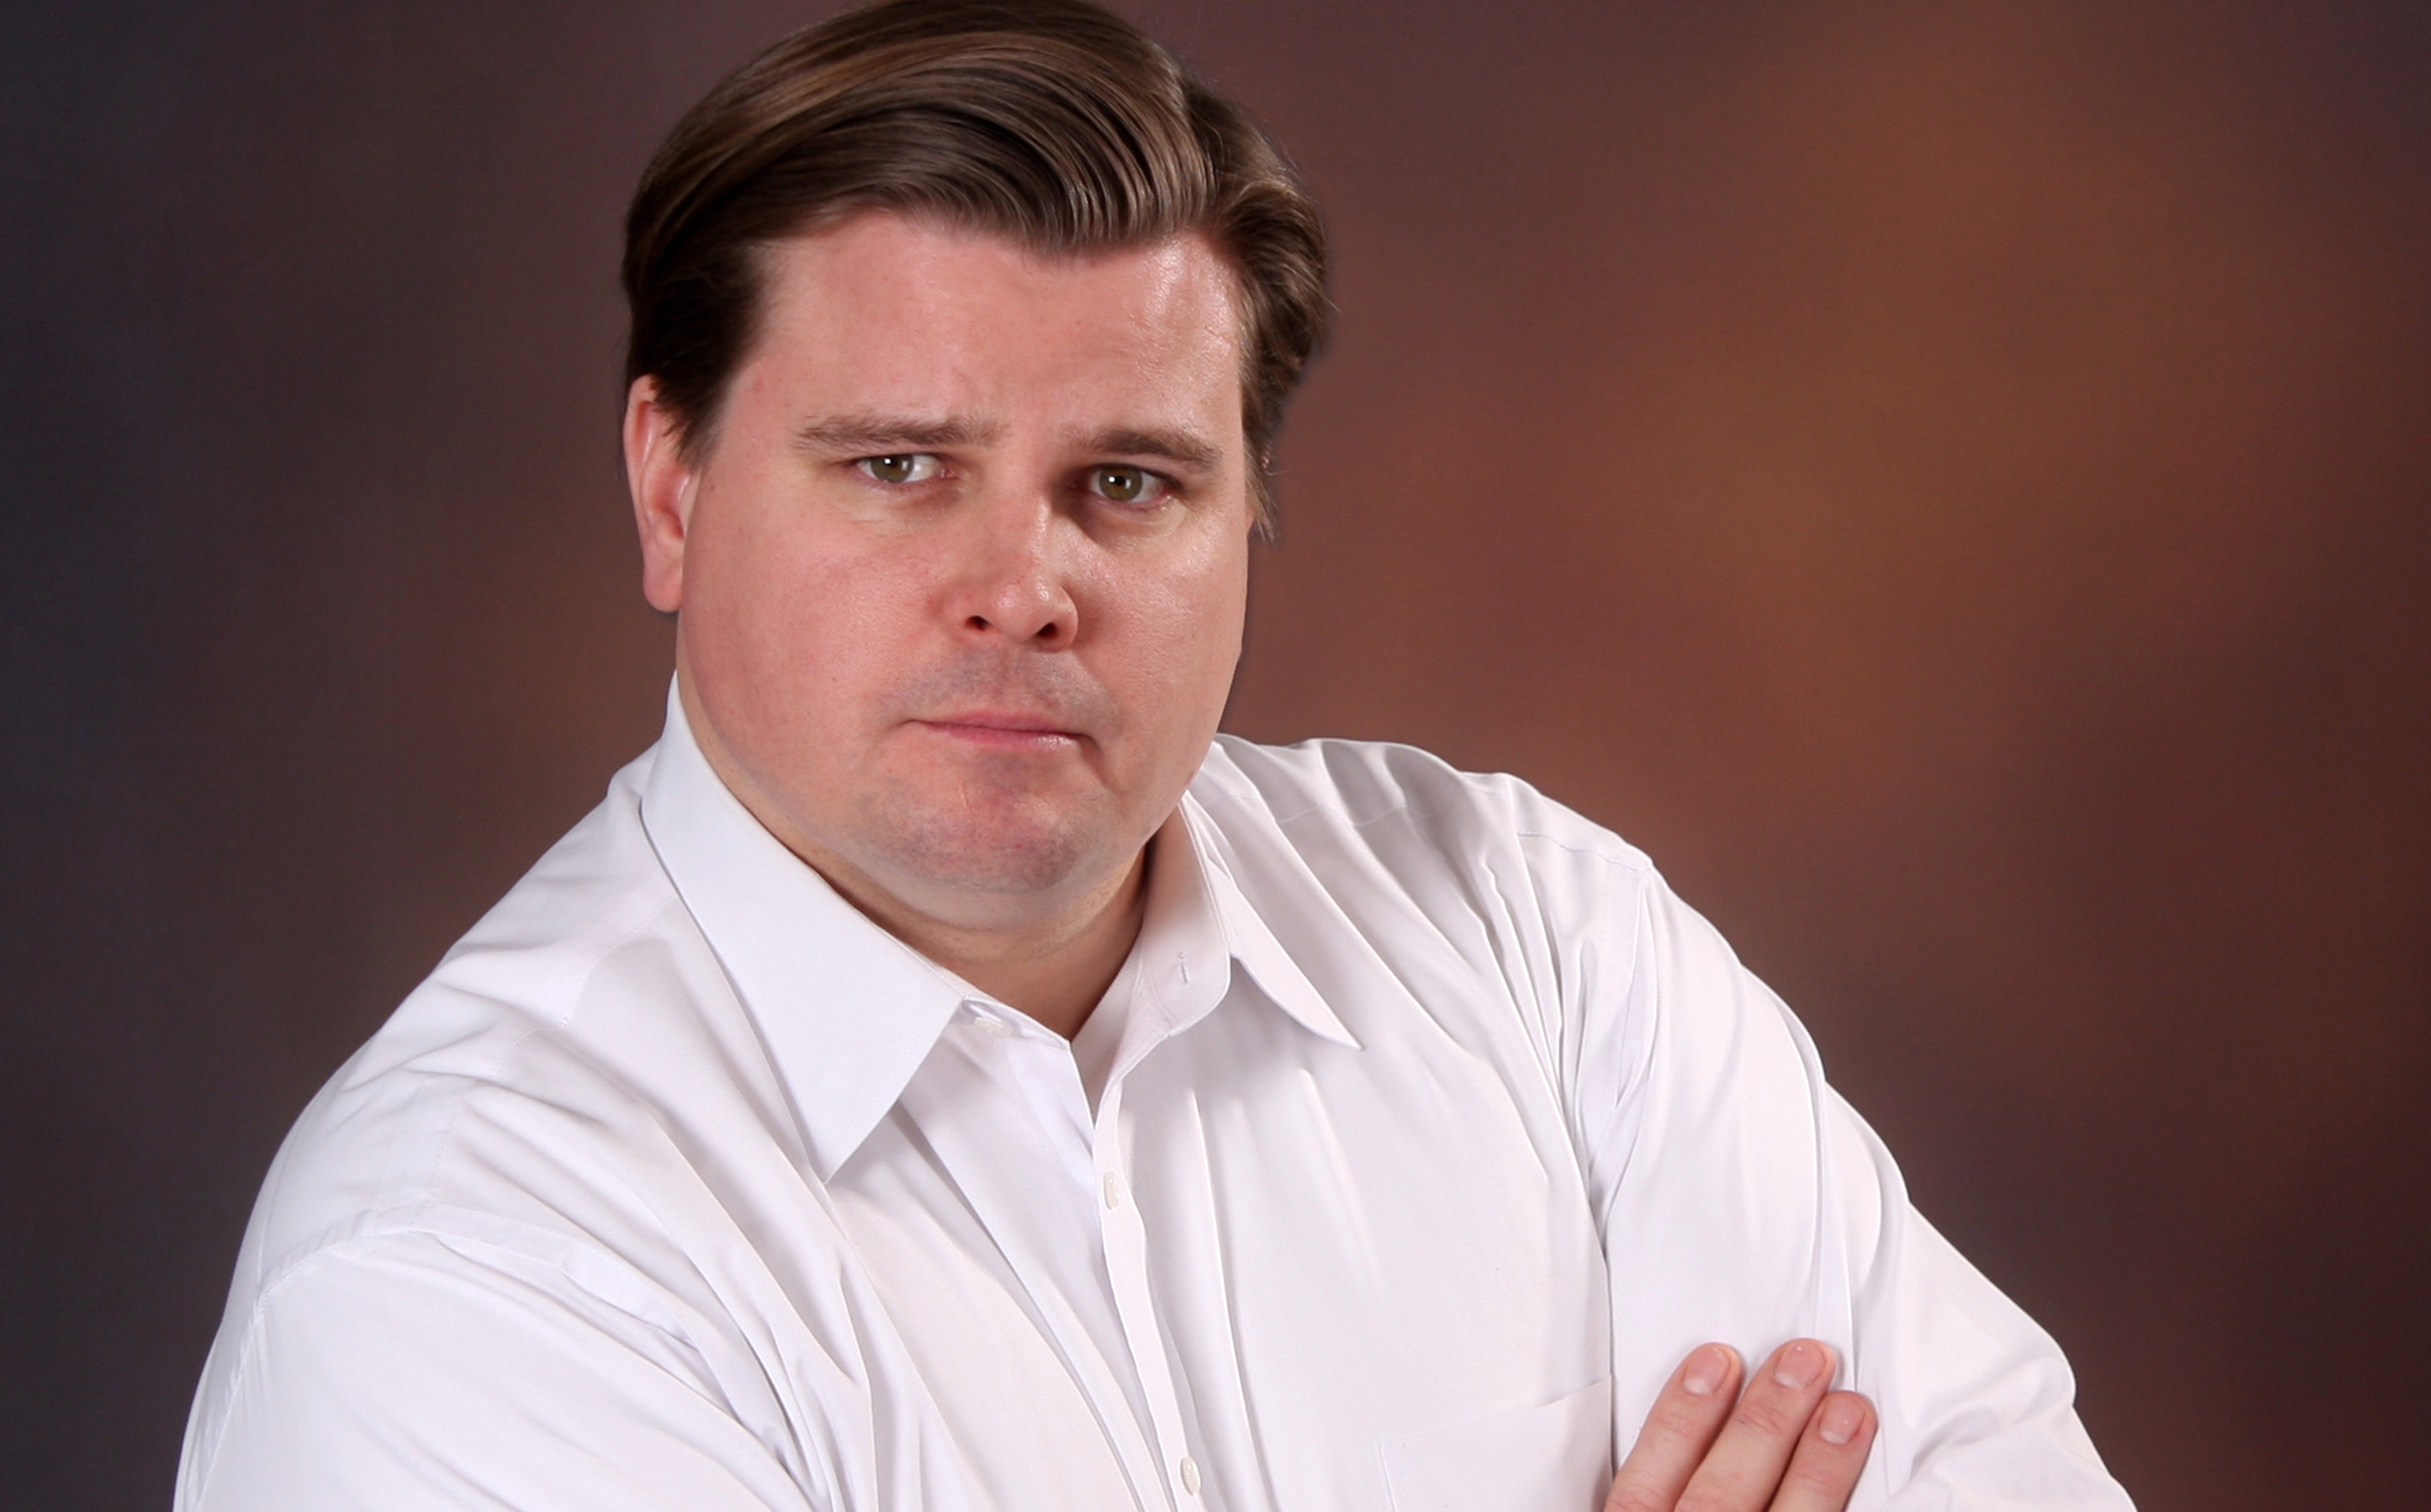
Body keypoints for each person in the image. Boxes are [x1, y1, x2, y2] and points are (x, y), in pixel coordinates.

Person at [175, 3, 2134, 1509]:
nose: (1022, 590)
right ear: (671, 489)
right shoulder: (467, 1259)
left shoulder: (1528, 940)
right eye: (899, 466)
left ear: (1248, 514)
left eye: (1129, 481)